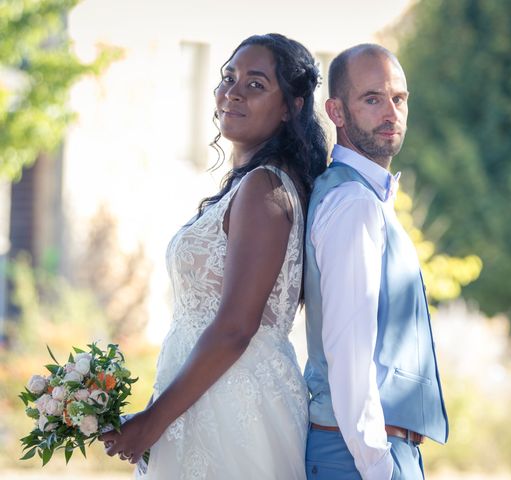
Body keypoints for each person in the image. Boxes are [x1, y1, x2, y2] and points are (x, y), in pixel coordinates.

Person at [100, 33, 327, 479]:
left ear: (292, 106)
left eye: (256, 84)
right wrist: (156, 409)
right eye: (228, 77)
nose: (233, 92)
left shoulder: (265, 188)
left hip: (236, 405)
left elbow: (236, 327)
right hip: (198, 396)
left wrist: (153, 422)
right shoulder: (249, 185)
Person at [303, 44, 448, 480]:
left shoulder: (362, 196)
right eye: (372, 98)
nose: (391, 112)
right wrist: (379, 466)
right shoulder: (353, 204)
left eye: (398, 99)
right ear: (337, 111)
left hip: (363, 451)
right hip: (358, 455)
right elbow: (349, 352)